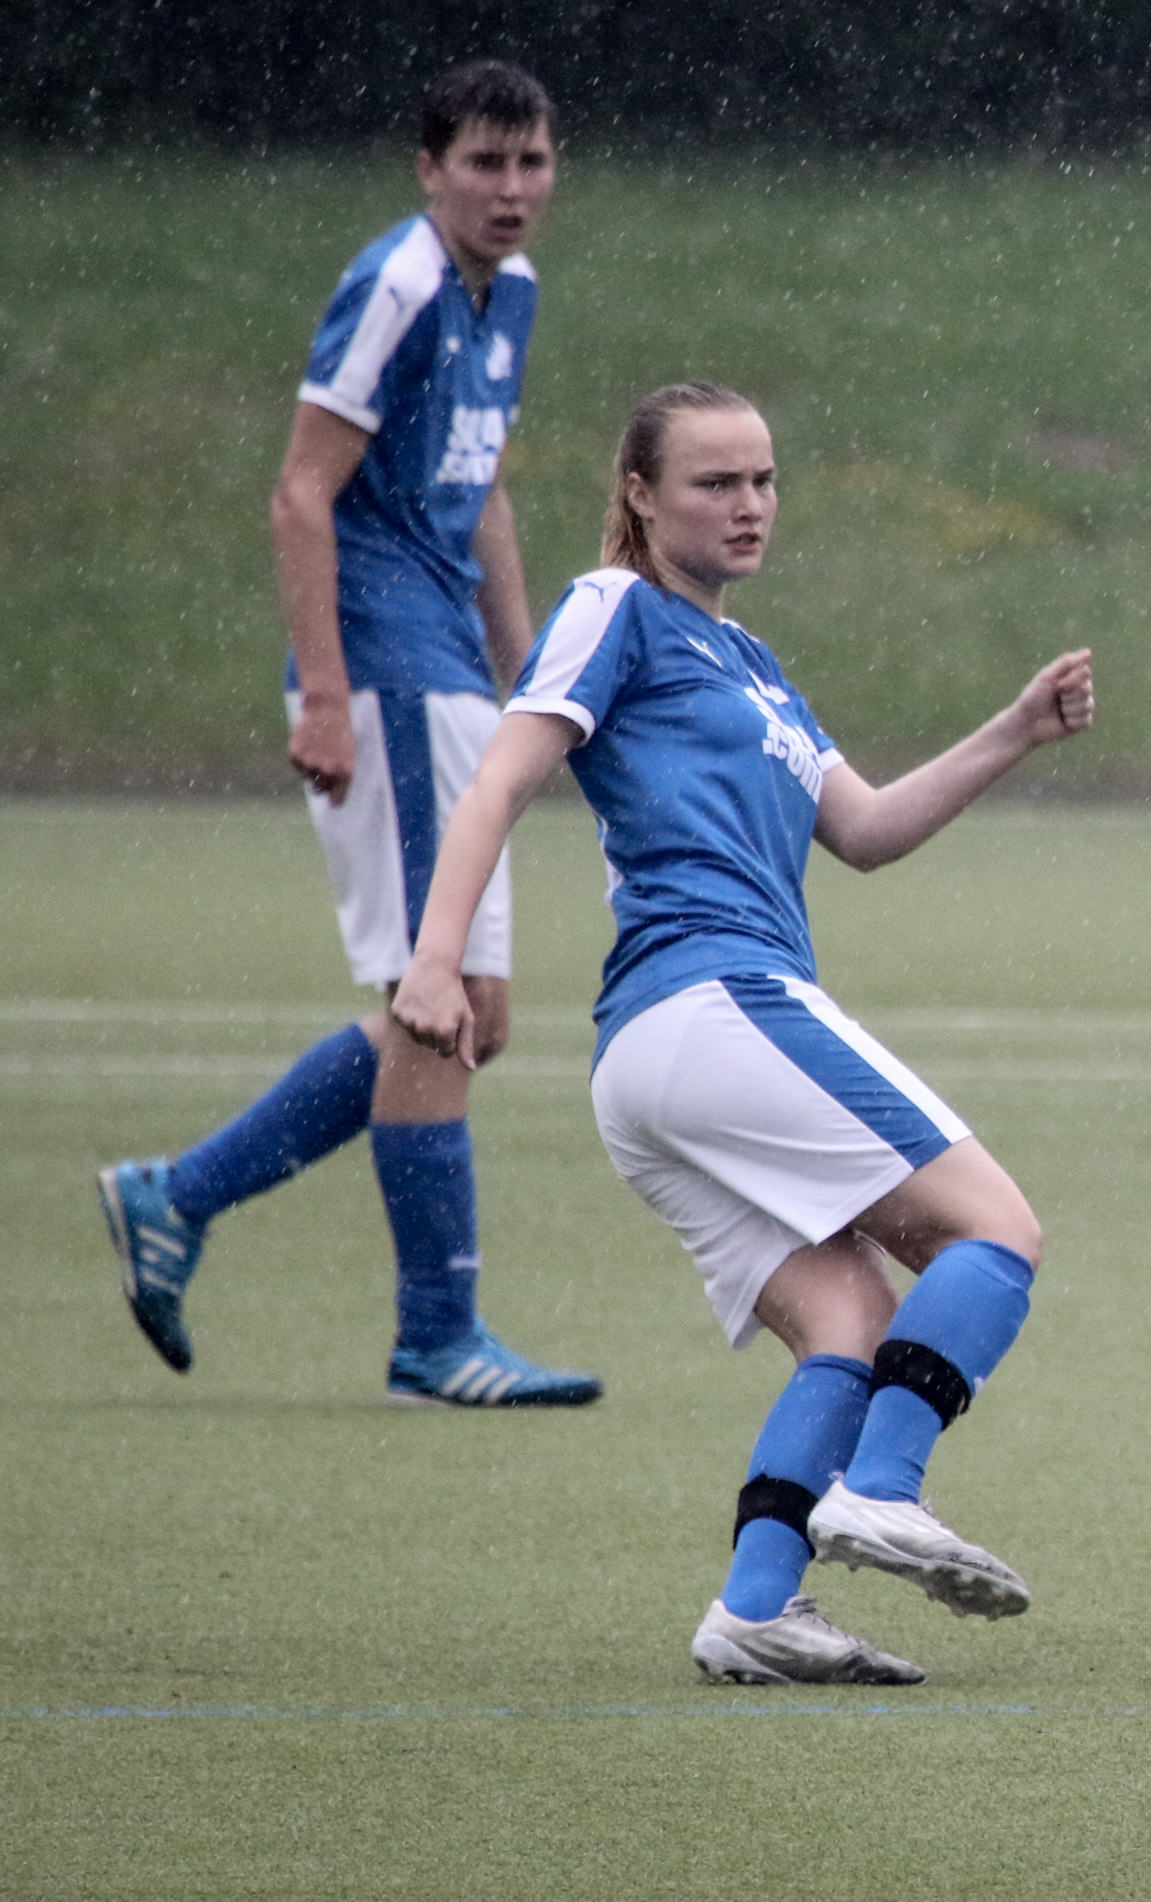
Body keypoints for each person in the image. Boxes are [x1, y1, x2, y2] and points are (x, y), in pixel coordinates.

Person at [390, 381, 1095, 1684]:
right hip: (710, 998)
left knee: (851, 1320)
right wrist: (435, 959)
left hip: (668, 1052)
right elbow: (499, 779)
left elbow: (863, 829)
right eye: (714, 482)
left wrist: (1013, 731)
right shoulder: (614, 607)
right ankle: (882, 1488)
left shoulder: (754, 663)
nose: (749, 503)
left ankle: (757, 1606)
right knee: (997, 1228)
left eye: (763, 479)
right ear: (639, 493)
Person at [94, 59, 600, 1408]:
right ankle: (437, 1336)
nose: (510, 188)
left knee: (475, 1013)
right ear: (428, 170)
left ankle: (176, 1195)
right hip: (382, 674)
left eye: (532, 161)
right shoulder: (399, 286)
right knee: (435, 1006)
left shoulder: (512, 291)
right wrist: (324, 693)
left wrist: (533, 673)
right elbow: (299, 495)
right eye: (483, 162)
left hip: (447, 670)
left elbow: (481, 492)